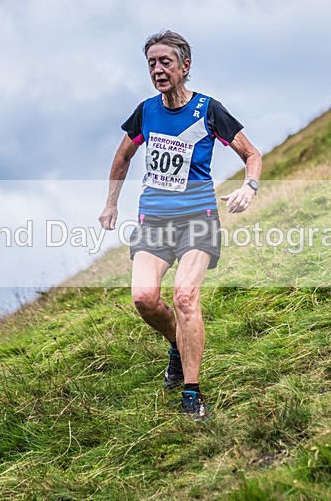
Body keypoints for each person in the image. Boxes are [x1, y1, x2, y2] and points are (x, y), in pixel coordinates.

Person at [98, 30, 261, 422]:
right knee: (143, 298)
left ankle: (191, 392)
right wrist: (110, 204)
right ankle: (177, 342)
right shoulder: (146, 111)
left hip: (197, 218)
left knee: (186, 296)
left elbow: (251, 154)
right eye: (151, 63)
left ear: (185, 66)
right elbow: (122, 156)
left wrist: (249, 188)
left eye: (165, 62)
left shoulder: (208, 110)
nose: (157, 69)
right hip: (153, 220)